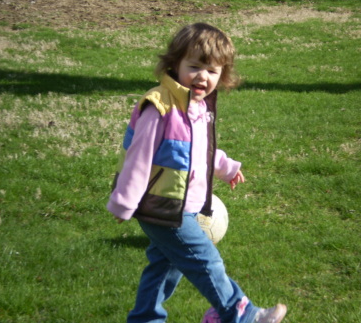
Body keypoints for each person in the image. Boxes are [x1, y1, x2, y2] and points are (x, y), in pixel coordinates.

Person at [107, 22, 287, 323]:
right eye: (194, 66)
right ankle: (242, 314)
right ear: (174, 65)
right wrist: (124, 203)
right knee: (206, 260)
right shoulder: (160, 107)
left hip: (182, 207)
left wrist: (226, 168)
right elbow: (138, 158)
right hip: (160, 205)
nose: (203, 76)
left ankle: (145, 319)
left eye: (213, 71)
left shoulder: (198, 108)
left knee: (164, 268)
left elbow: (198, 152)